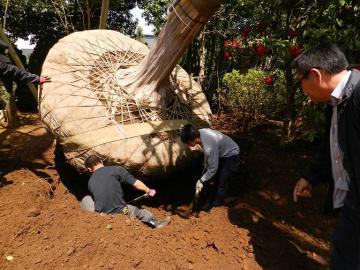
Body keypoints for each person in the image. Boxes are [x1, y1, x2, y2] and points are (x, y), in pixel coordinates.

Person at [292, 43, 360, 269]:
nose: (302, 89)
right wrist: (310, 176)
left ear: (316, 75)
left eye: (300, 81)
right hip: (350, 200)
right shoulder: (336, 103)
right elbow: (332, 147)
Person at [81, 154, 171, 229]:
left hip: (103, 216)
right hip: (121, 212)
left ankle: (98, 218)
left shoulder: (90, 182)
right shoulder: (116, 169)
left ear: (89, 169)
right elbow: (135, 183)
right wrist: (148, 190)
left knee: (86, 199)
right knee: (140, 211)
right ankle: (156, 223)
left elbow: (99, 198)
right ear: (101, 161)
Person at [180, 123, 240, 208]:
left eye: (187, 142)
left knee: (222, 180)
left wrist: (201, 180)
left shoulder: (209, 146)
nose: (187, 145)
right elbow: (207, 157)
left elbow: (213, 169)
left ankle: (217, 206)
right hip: (221, 153)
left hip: (231, 155)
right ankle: (209, 202)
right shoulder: (200, 133)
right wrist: (205, 168)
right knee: (213, 178)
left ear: (191, 140)